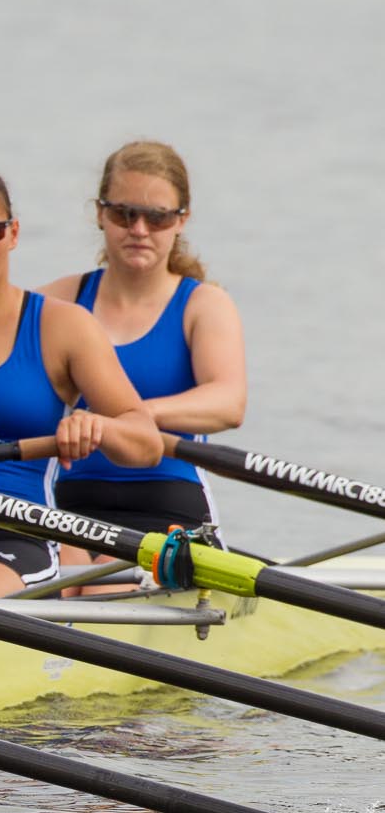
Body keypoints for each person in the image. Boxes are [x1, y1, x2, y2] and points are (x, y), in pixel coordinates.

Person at [0, 162, 161, 596]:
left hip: (16, 530)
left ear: (13, 233)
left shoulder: (63, 327)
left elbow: (146, 443)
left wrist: (99, 426)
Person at [39, 141, 245, 543]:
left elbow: (228, 404)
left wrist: (130, 416)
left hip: (168, 501)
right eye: (124, 213)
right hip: (65, 499)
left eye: (157, 218)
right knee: (72, 588)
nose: (139, 230)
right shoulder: (58, 301)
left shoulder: (203, 305)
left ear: (181, 220)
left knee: (96, 594)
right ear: (100, 213)